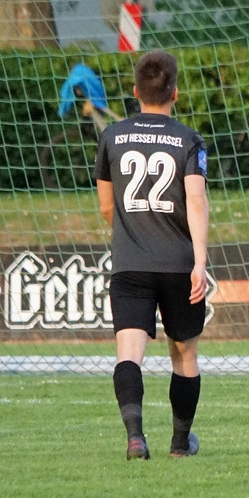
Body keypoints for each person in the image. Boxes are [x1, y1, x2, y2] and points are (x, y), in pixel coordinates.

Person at [94, 50, 209, 459]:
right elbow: (195, 201)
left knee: (129, 353)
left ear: (135, 91)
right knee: (185, 353)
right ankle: (180, 443)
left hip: (130, 263)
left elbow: (106, 206)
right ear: (175, 92)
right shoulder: (189, 140)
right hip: (178, 264)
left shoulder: (111, 136)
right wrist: (200, 261)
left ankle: (135, 437)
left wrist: (131, 232)